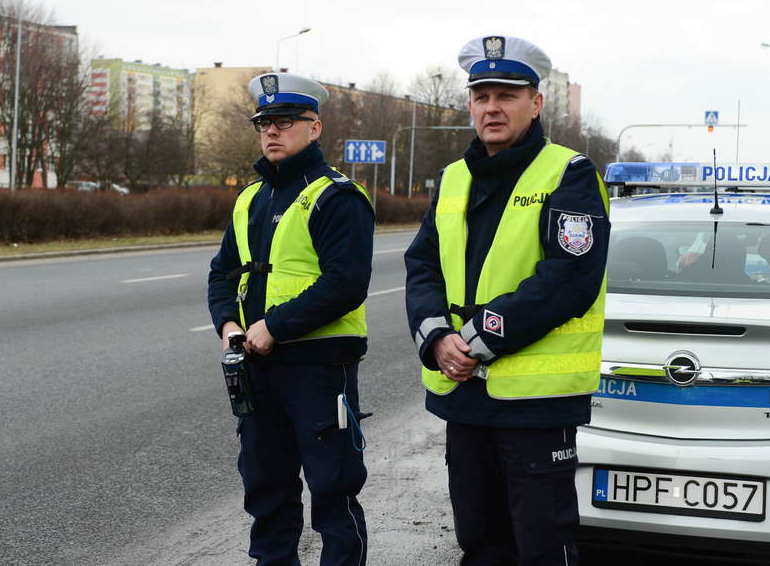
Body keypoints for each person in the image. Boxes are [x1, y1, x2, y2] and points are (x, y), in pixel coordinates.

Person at [404, 35, 610, 565]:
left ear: (535, 103)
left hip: (536, 404)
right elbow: (423, 264)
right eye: (481, 96)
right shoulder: (453, 178)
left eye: (507, 95)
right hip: (464, 394)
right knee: (480, 541)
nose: (491, 108)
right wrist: (435, 338)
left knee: (541, 545)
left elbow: (568, 279)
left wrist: (474, 339)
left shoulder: (571, 174)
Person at [207, 72, 374, 566]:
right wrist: (229, 326)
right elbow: (221, 274)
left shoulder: (336, 196)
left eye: (284, 121)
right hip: (256, 368)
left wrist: (274, 326)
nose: (272, 131)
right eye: (264, 123)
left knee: (334, 496)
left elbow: (345, 284)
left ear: (314, 127)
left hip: (319, 370)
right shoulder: (250, 198)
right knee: (268, 496)